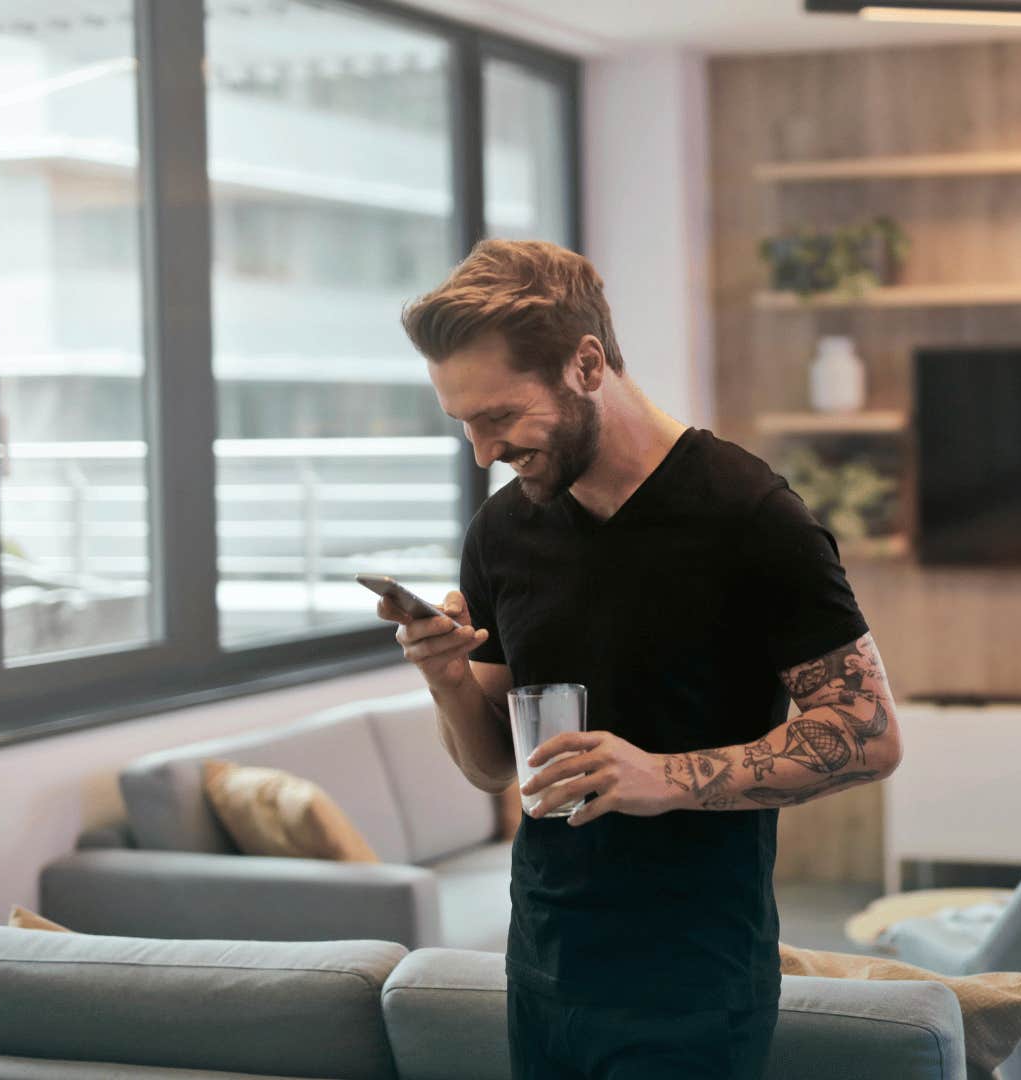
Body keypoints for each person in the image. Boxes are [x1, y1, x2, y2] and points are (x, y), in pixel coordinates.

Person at [378, 238, 904, 1080]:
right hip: (543, 965)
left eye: (500, 417)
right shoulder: (503, 533)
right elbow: (491, 771)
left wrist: (663, 776)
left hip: (696, 979)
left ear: (586, 364)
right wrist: (444, 680)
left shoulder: (751, 514)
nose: (482, 452)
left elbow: (868, 732)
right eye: (464, 424)